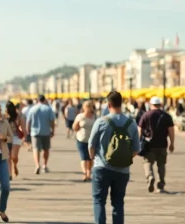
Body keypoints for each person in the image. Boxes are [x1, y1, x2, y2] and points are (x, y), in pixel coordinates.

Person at [88, 91, 140, 224]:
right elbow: (136, 149)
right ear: (121, 104)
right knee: (118, 203)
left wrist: (94, 158)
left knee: (99, 200)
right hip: (123, 170)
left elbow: (91, 145)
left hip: (102, 167)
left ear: (109, 104)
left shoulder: (101, 121)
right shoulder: (131, 123)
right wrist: (124, 159)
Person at [138, 96, 175, 193]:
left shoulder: (146, 115)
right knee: (161, 165)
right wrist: (172, 143)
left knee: (147, 163)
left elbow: (140, 129)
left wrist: (138, 142)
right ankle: (160, 185)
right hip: (162, 144)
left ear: (151, 104)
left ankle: (150, 177)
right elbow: (171, 130)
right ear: (160, 105)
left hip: (149, 145)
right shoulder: (166, 116)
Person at [27, 95, 55, 174]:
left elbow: (28, 121)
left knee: (36, 149)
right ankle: (44, 165)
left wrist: (27, 130)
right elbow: (52, 120)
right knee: (46, 149)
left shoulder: (32, 109)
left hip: (34, 132)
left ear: (37, 100)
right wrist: (53, 130)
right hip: (46, 132)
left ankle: (37, 165)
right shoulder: (48, 108)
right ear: (44, 100)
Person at [73, 100, 95, 181]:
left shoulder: (94, 116)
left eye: (89, 107)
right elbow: (75, 128)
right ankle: (85, 173)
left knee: (90, 158)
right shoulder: (80, 116)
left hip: (92, 140)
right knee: (83, 157)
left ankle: (89, 172)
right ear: (84, 108)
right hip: (81, 139)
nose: (88, 108)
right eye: (86, 107)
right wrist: (76, 125)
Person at [5, 101, 26, 180]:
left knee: (14, 156)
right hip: (7, 137)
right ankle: (9, 175)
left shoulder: (20, 115)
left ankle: (15, 165)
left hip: (16, 136)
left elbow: (23, 128)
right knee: (8, 157)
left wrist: (26, 137)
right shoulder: (4, 116)